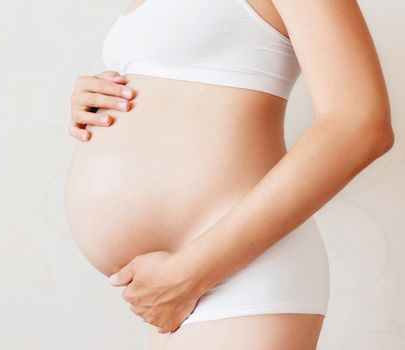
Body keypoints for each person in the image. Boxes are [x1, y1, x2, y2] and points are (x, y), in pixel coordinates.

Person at [64, 0, 394, 349]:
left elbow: (360, 124)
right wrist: (98, 97)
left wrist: (191, 272)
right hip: (171, 288)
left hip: (234, 270)